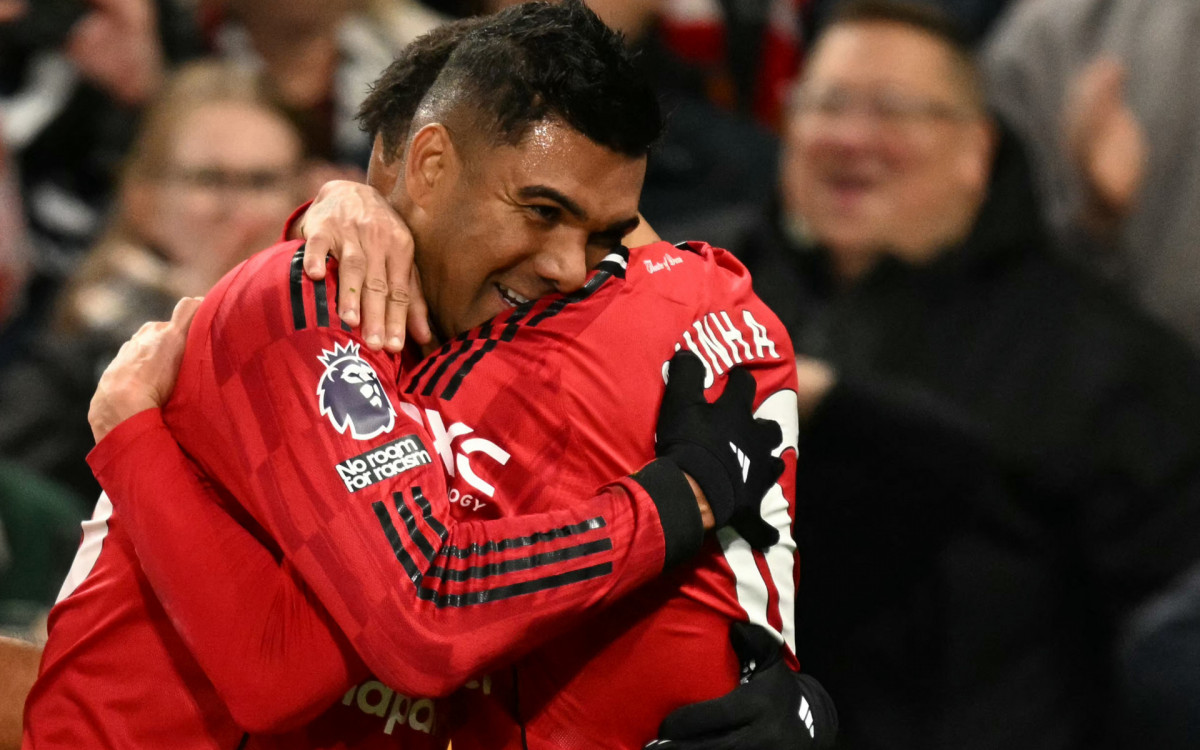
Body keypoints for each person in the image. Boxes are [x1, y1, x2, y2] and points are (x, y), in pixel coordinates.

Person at [24, 3, 823, 749]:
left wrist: (777, 690)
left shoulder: (519, 339)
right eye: (542, 212)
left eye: (600, 236)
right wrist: (677, 500)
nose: (569, 268)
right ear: (427, 164)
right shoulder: (312, 295)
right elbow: (402, 627)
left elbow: (300, 662)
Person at [730, 1, 1200, 748]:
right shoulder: (699, 297)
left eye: (894, 110)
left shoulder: (1106, 358)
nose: (851, 138)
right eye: (827, 104)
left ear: (976, 149)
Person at [0, 59, 305, 501]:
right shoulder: (72, 370)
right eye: (209, 181)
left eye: (262, 183)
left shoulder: (336, 334)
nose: (238, 210)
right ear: (141, 198)